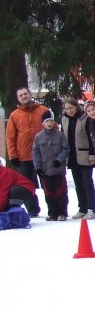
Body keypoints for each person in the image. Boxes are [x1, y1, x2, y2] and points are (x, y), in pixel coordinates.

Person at [5, 86, 51, 216]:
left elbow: (53, 130)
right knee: (26, 186)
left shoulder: (43, 110)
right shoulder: (14, 115)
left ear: (30, 94)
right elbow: (10, 137)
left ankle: (53, 210)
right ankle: (33, 211)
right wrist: (13, 156)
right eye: (21, 95)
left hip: (43, 156)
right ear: (18, 99)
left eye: (25, 94)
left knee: (48, 184)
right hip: (23, 157)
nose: (24, 96)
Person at [61, 98, 95, 219]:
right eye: (67, 109)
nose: (69, 111)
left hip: (85, 155)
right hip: (72, 156)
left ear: (76, 107)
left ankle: (91, 209)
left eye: (71, 108)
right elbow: (63, 137)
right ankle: (82, 208)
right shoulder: (64, 120)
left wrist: (92, 154)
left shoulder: (84, 118)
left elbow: (90, 137)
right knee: (78, 184)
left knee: (87, 183)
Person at [32, 113, 70, 221]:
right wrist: (38, 167)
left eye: (51, 121)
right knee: (48, 193)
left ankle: (62, 213)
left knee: (61, 192)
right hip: (45, 170)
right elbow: (35, 152)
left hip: (58, 170)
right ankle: (52, 213)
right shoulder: (38, 137)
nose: (49, 123)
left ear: (54, 122)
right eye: (47, 121)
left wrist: (59, 160)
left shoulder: (60, 135)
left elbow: (66, 149)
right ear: (43, 123)